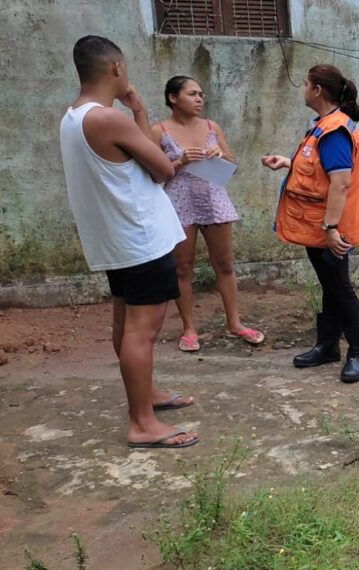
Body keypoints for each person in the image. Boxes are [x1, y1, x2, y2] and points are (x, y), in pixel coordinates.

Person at [59, 36, 198, 449]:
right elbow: (161, 169)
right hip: (140, 238)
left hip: (115, 237)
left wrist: (135, 109)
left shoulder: (73, 117)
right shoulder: (108, 119)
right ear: (116, 69)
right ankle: (141, 422)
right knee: (143, 331)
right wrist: (138, 111)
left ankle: (145, 396)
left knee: (125, 322)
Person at [261, 64, 359, 384]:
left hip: (329, 229)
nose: (303, 89)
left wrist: (331, 228)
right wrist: (287, 162)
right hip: (319, 226)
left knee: (341, 288)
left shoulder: (334, 129)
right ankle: (327, 346)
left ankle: (357, 353)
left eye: (305, 84)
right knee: (331, 286)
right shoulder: (323, 126)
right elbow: (320, 172)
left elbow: (339, 183)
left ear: (317, 90)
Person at [152, 76, 264, 352]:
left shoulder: (212, 127)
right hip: (179, 202)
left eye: (201, 94)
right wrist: (180, 161)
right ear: (173, 98)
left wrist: (220, 156)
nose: (200, 99)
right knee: (182, 267)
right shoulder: (158, 131)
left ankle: (235, 323)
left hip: (214, 199)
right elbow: (153, 175)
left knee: (224, 264)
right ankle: (189, 328)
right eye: (192, 94)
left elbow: (232, 164)